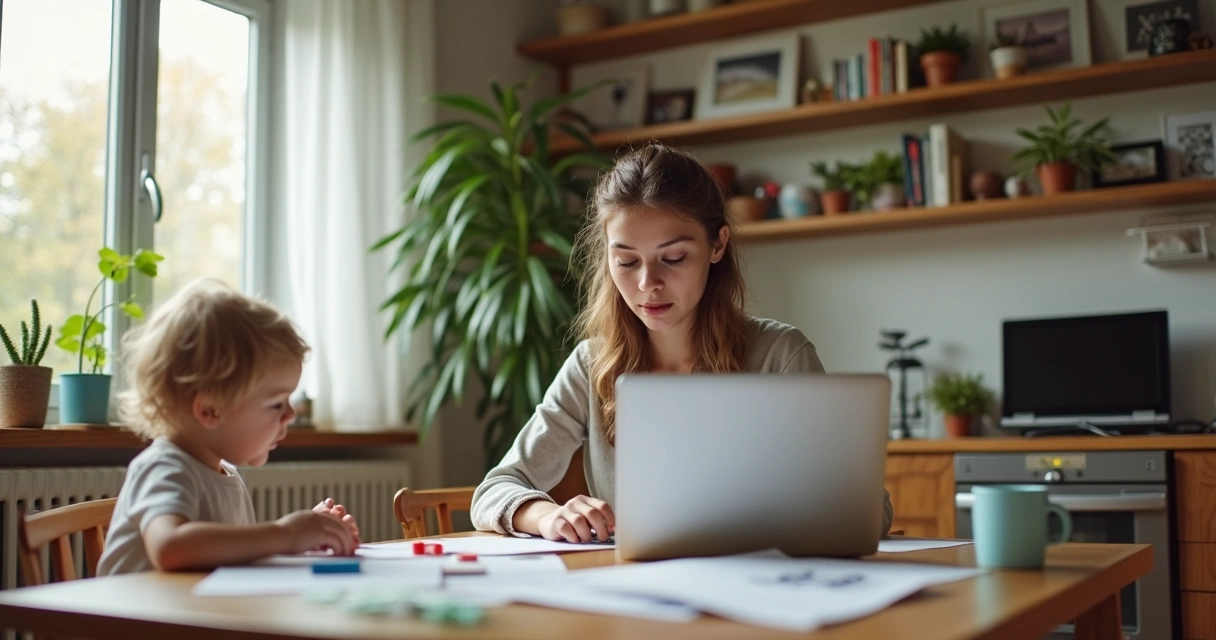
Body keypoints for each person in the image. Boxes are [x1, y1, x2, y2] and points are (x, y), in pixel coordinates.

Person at [471, 144, 893, 543]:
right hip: (636, 599)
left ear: (717, 245)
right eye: (626, 261)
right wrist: (547, 515)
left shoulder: (780, 356)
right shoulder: (591, 366)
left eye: (673, 259)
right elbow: (495, 489)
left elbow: (871, 510)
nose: (647, 284)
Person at [97, 279, 360, 575]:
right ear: (209, 410)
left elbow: (228, 555)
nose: (290, 413)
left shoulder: (226, 476)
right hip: (132, 620)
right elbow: (171, 548)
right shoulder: (164, 467)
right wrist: (286, 535)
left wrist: (308, 535)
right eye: (276, 403)